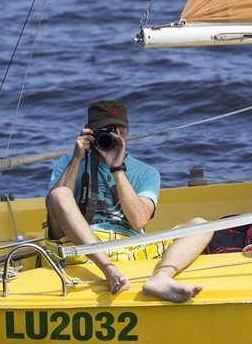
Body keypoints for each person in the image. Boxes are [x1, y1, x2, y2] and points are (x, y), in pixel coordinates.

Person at [44, 100, 213, 303]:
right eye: (104, 131)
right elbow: (54, 204)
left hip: (131, 246)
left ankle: (161, 278)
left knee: (201, 225)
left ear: (128, 132)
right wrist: (78, 158)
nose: (113, 137)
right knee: (59, 194)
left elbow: (139, 221)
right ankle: (108, 269)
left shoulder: (147, 172)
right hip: (81, 245)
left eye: (120, 131)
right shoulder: (70, 160)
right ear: (89, 131)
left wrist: (117, 167)